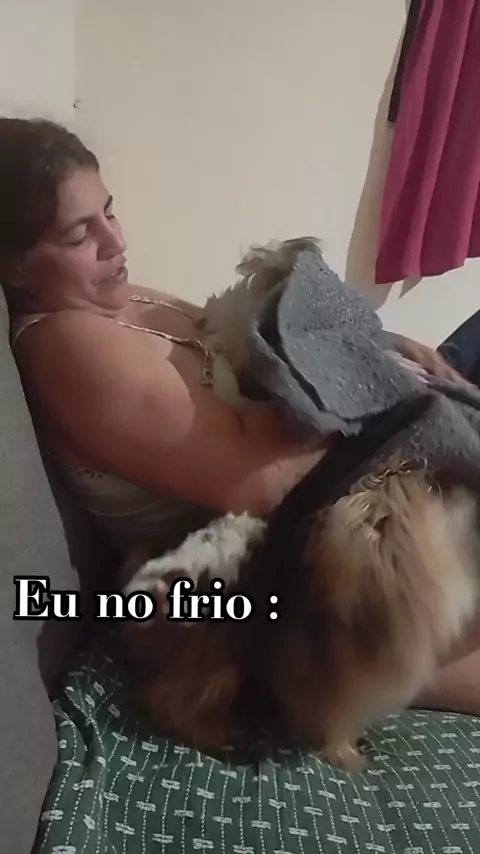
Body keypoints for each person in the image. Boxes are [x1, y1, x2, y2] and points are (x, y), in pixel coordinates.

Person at [1, 117, 476, 710]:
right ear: (16, 264)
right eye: (79, 235)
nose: (114, 241)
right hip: (293, 568)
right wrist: (376, 377)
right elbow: (260, 481)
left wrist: (382, 347)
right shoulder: (64, 342)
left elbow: (256, 340)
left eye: (110, 211)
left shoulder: (117, 300)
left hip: (335, 490)